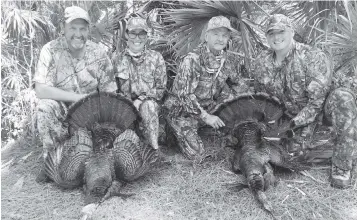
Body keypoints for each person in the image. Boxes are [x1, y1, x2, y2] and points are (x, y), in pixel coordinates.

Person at [251, 14, 357, 188]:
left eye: (281, 32)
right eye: (271, 33)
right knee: (290, 158)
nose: (276, 37)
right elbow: (261, 98)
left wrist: (292, 124)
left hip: (319, 112)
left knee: (342, 98)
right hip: (286, 116)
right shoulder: (261, 61)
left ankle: (342, 165)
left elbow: (316, 104)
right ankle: (332, 144)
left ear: (291, 32)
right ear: (267, 37)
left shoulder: (313, 56)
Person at [34, 6, 114, 180]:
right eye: (73, 28)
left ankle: (95, 157)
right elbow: (40, 90)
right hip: (63, 110)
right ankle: (51, 162)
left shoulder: (99, 53)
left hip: (92, 112)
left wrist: (97, 107)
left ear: (88, 30)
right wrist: (78, 98)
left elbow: (110, 93)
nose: (78, 34)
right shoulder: (50, 50)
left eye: (83, 29)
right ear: (63, 28)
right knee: (44, 108)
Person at [164, 16, 249, 160]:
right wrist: (206, 117)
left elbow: (239, 83)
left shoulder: (227, 60)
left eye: (224, 35)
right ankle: (171, 131)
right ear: (207, 36)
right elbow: (185, 96)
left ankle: (203, 128)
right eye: (216, 34)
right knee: (198, 155)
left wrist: (240, 104)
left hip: (209, 108)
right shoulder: (192, 60)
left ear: (228, 38)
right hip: (182, 112)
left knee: (233, 134)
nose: (220, 39)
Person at [112, 16, 167, 150]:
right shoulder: (116, 58)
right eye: (133, 33)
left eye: (141, 33)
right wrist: (127, 104)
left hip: (149, 109)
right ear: (126, 35)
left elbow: (161, 88)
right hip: (125, 108)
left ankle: (154, 150)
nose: (137, 38)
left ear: (147, 36)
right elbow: (112, 90)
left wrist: (141, 100)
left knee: (148, 106)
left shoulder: (156, 58)